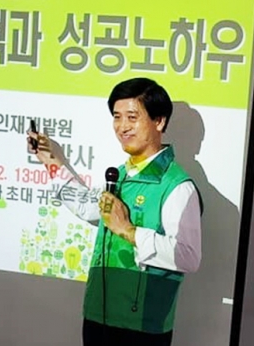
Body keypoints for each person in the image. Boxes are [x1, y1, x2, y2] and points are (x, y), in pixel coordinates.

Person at [28, 77, 202, 346]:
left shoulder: (177, 186)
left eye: (132, 117)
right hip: (99, 315)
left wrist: (129, 231)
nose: (122, 127)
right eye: (117, 117)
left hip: (142, 326)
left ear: (159, 121)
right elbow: (87, 207)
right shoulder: (119, 175)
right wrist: (49, 159)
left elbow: (188, 257)